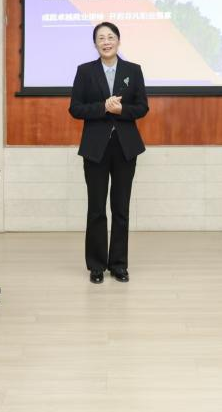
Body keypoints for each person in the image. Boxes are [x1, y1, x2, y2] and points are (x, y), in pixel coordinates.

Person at [69, 22, 149, 284]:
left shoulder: (133, 70)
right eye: (101, 38)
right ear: (95, 44)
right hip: (95, 148)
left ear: (118, 41)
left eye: (110, 37)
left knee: (121, 208)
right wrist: (103, 107)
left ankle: (119, 265)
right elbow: (75, 108)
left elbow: (142, 107)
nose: (106, 42)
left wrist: (121, 111)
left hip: (126, 147)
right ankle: (96, 265)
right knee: (96, 208)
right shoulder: (85, 71)